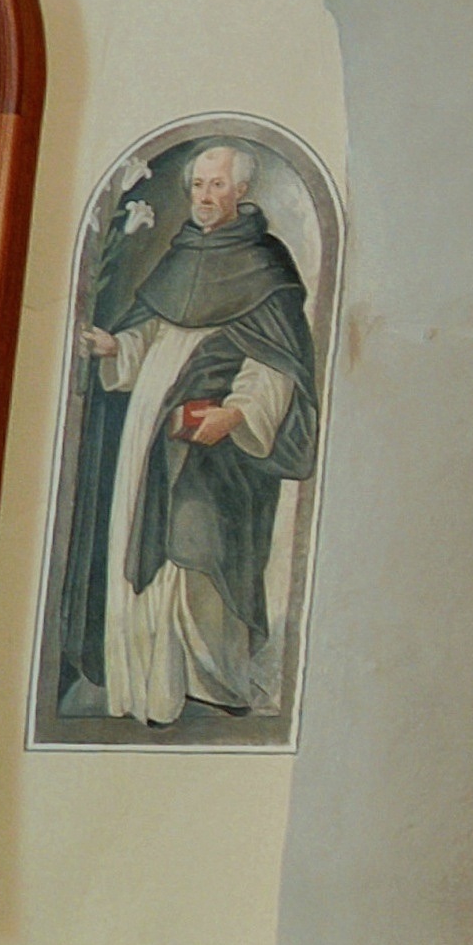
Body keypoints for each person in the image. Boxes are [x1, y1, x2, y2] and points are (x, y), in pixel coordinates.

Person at [79, 145, 323, 725]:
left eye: (217, 186)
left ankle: (211, 678)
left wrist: (237, 416)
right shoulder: (180, 254)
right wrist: (121, 348)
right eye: (198, 186)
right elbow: (155, 333)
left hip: (219, 445)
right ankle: (152, 685)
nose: (206, 197)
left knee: (197, 546)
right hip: (151, 429)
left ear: (241, 192)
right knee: (150, 546)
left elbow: (278, 362)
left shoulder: (266, 265)